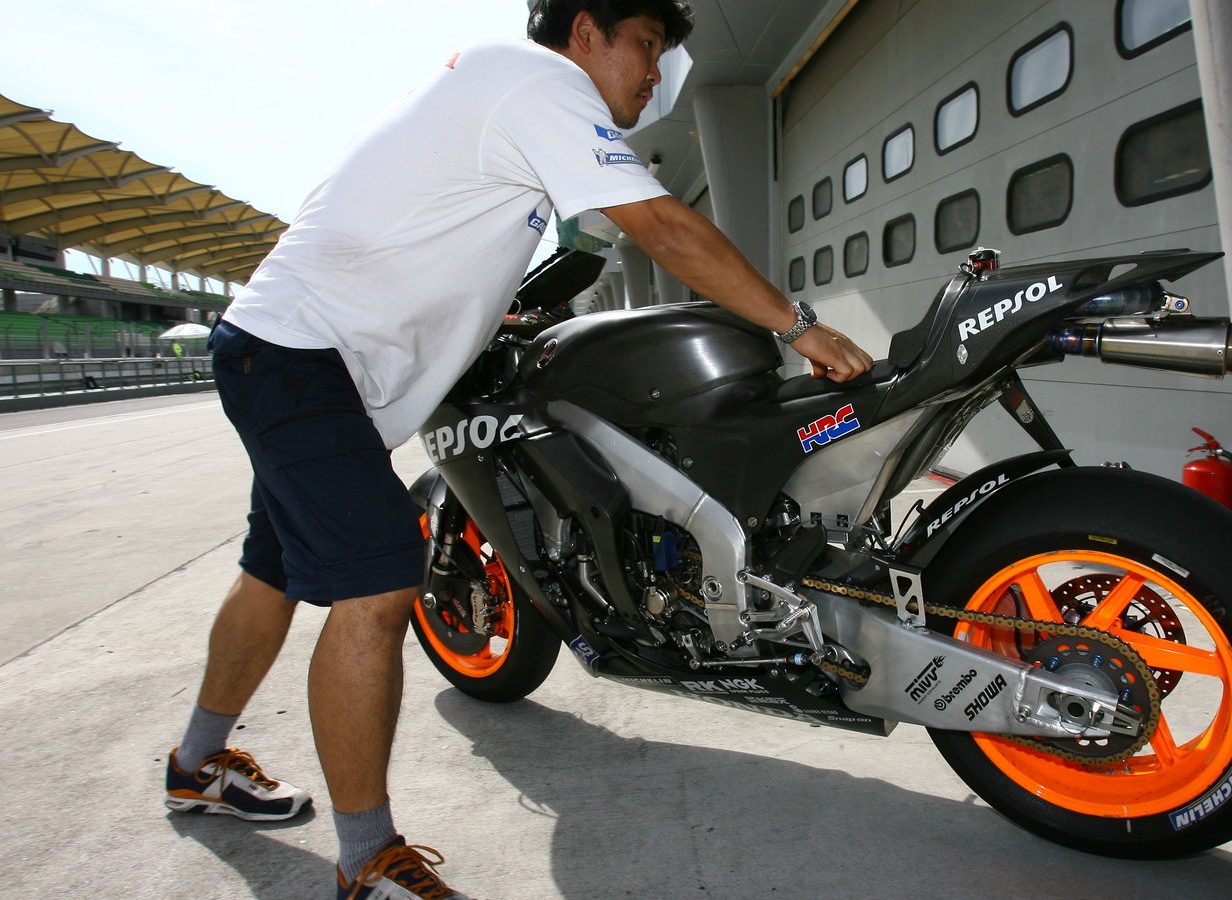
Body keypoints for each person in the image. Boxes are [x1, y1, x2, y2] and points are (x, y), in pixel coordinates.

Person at [163, 2, 873, 898]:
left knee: (271, 569)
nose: (654, 71)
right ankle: (366, 861)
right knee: (379, 584)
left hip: (295, 354)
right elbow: (662, 227)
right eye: (646, 44)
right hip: (301, 356)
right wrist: (796, 326)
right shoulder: (539, 80)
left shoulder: (506, 90)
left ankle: (196, 764)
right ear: (586, 31)